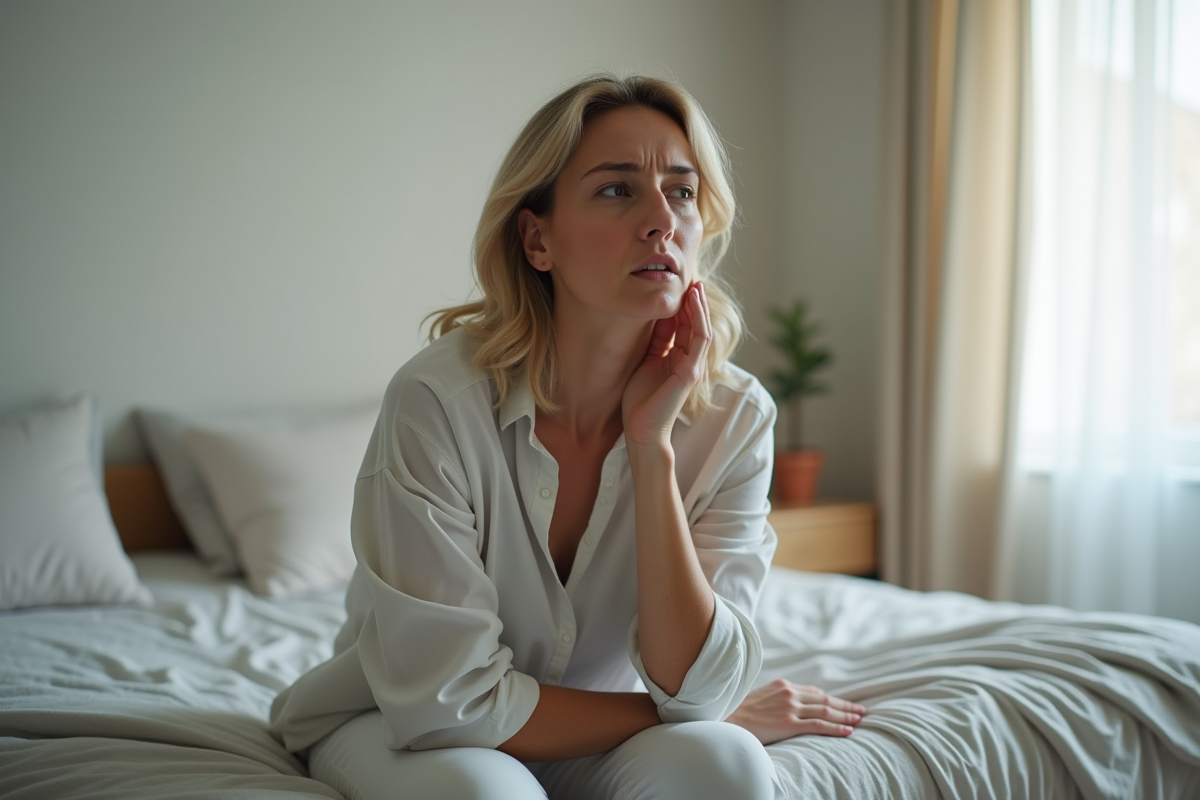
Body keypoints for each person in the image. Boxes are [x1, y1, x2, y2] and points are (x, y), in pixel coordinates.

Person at [270, 73, 865, 800]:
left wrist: (651, 449)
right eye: (617, 190)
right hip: (401, 724)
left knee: (728, 768)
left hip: (595, 726)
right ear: (537, 237)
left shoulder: (735, 417)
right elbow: (447, 703)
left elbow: (699, 681)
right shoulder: (437, 402)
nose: (661, 220)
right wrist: (680, 710)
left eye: (681, 191)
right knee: (488, 796)